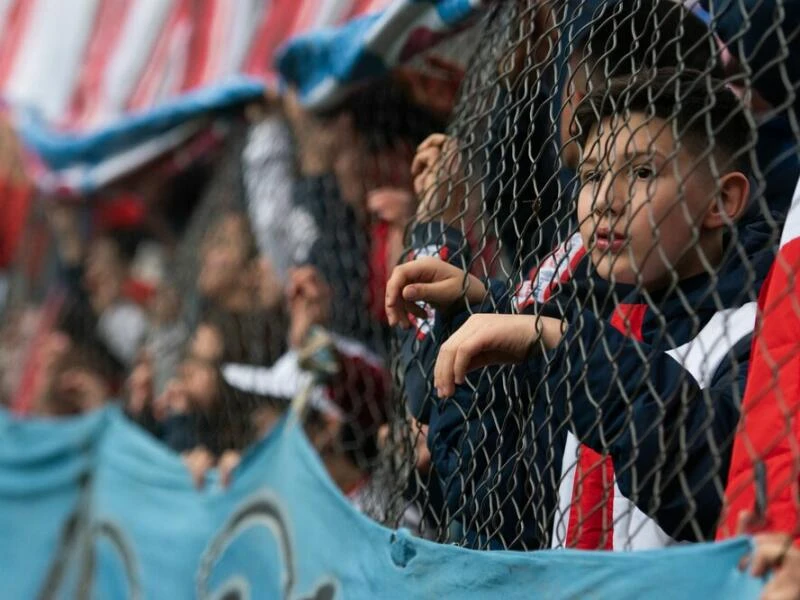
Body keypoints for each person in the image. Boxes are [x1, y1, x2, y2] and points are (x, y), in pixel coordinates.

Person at [387, 68, 770, 550]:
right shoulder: (603, 326)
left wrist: (558, 345)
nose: (605, 202)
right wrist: (466, 319)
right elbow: (500, 511)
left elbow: (718, 476)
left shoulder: (764, 329)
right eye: (591, 176)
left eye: (643, 171)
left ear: (723, 199)